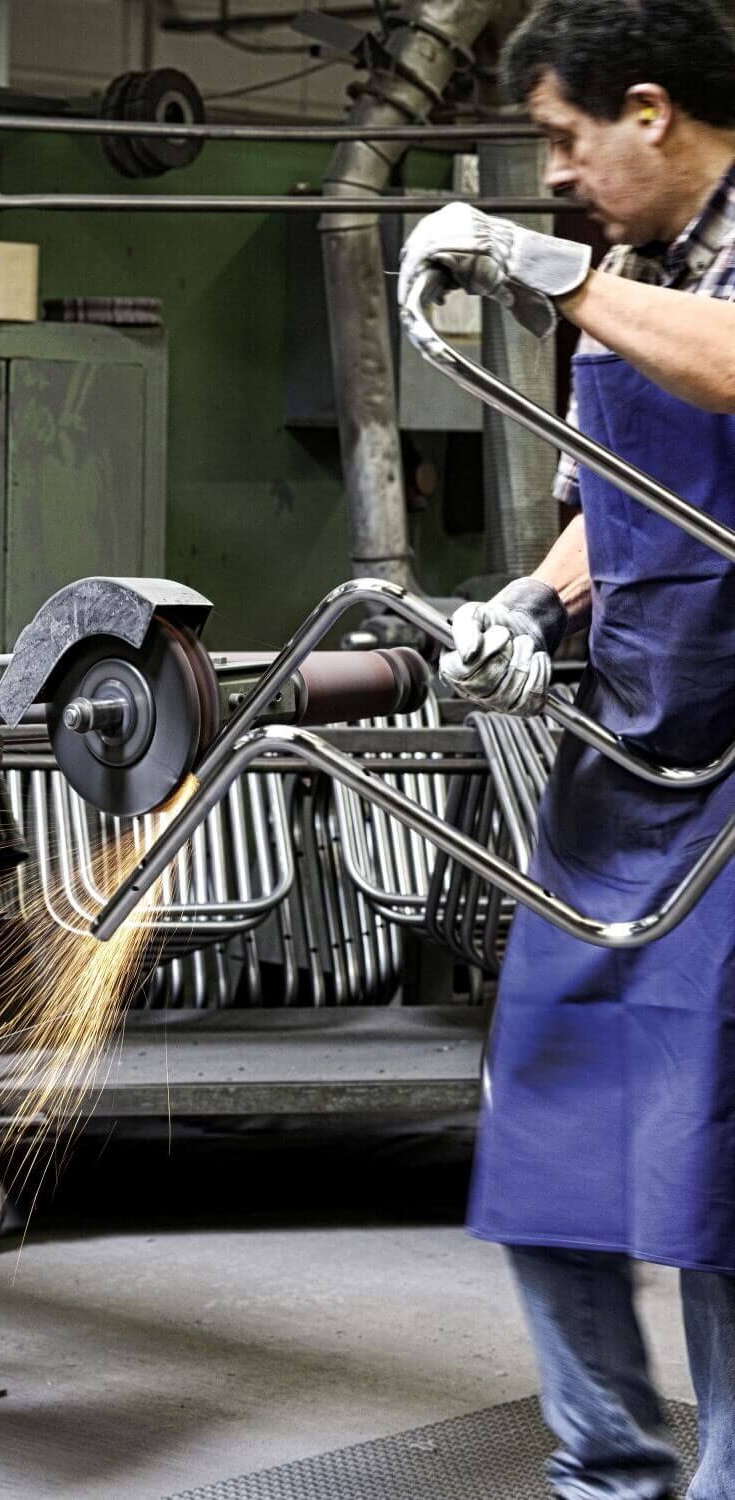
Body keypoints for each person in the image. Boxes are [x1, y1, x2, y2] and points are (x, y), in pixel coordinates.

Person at [395, 3, 735, 1497]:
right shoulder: (634, 272)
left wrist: (567, 279)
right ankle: (608, 1467)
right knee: (549, 1106)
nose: (559, 175)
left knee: (722, 1161)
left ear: (649, 111)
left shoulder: (654, 281)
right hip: (635, 751)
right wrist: (534, 599)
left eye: (564, 138)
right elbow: (622, 489)